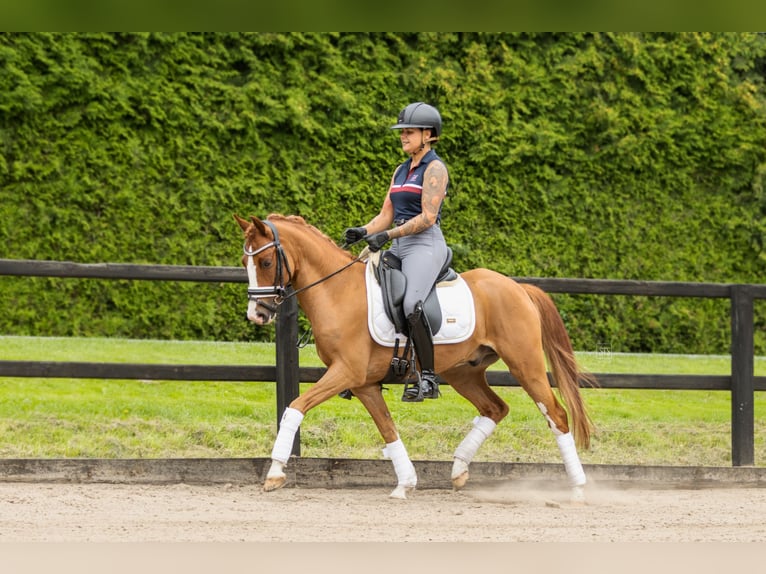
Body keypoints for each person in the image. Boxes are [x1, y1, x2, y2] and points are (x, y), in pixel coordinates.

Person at [344, 102, 450, 402]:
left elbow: (428, 217)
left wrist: (385, 236)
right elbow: (385, 215)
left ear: (428, 134)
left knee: (411, 303)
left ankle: (428, 376)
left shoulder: (435, 168)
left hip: (426, 244)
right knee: (368, 293)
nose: (403, 136)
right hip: (399, 244)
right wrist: (363, 232)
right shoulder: (401, 170)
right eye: (402, 131)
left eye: (409, 132)